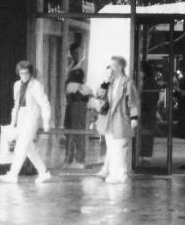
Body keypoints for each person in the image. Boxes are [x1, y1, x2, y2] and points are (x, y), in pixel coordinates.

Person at [0, 61, 53, 183]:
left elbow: (45, 104)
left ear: (30, 73)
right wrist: (14, 121)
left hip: (32, 118)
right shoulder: (17, 85)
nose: (23, 75)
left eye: (26, 73)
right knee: (29, 148)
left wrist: (46, 121)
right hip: (21, 118)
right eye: (21, 73)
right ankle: (44, 172)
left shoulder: (36, 85)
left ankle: (13, 175)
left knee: (21, 146)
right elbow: (16, 104)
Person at [94, 55, 140, 183]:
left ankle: (120, 174)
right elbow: (99, 94)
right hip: (109, 120)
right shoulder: (110, 81)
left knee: (120, 148)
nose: (110, 68)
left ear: (120, 67)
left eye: (113, 65)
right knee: (112, 148)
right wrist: (104, 82)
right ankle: (114, 173)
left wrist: (134, 117)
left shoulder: (127, 82)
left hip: (121, 118)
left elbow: (133, 101)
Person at [64, 67, 91, 169]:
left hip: (73, 113)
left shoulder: (70, 87)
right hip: (78, 114)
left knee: (71, 137)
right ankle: (78, 160)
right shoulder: (84, 88)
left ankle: (70, 160)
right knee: (79, 137)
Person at [138, 61, 158, 164]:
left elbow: (151, 98)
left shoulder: (149, 82)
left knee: (146, 135)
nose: (139, 72)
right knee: (143, 135)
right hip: (144, 112)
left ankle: (145, 157)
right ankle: (143, 156)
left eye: (141, 70)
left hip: (146, 113)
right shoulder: (141, 81)